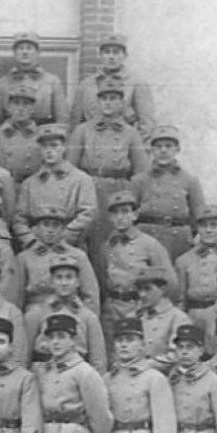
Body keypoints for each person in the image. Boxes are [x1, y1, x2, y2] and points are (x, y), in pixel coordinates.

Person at [66, 75, 150, 256]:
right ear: (98, 102)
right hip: (90, 191)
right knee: (89, 240)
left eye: (113, 99)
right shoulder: (83, 130)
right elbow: (70, 169)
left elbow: (141, 172)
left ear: (122, 103)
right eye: (104, 98)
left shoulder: (130, 133)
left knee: (115, 240)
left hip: (119, 190)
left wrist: (131, 200)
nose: (108, 103)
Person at [13, 124, 97, 249]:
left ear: (64, 147)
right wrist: (30, 241)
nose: (49, 151)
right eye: (44, 146)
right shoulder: (29, 184)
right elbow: (20, 219)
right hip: (36, 247)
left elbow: (88, 214)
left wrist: (65, 238)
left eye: (54, 145)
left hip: (70, 246)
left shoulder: (81, 180)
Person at [131, 124, 205, 262]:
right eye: (158, 146)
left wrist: (189, 235)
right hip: (148, 238)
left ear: (177, 149)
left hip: (179, 241)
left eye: (168, 146)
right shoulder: (139, 181)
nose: (163, 150)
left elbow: (199, 217)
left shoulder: (190, 181)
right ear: (151, 149)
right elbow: (130, 215)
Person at [11, 207, 102, 313]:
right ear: (37, 228)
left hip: (69, 311)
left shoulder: (78, 256)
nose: (50, 230)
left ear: (63, 229)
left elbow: (90, 294)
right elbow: (17, 297)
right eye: (46, 225)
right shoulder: (24, 258)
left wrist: (88, 322)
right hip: (36, 312)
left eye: (55, 225)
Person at [23, 259, 107, 368]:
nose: (64, 283)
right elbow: (24, 354)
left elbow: (98, 359)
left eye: (69, 277)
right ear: (52, 282)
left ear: (78, 282)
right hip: (43, 374)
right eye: (59, 277)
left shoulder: (88, 317)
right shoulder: (36, 313)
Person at [69, 34, 157, 137]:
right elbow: (75, 123)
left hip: (123, 146)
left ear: (124, 55)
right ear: (101, 55)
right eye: (107, 52)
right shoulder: (85, 85)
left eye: (116, 52)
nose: (111, 57)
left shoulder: (137, 84)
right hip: (92, 146)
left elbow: (147, 124)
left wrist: (131, 146)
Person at [96, 190, 175, 297]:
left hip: (140, 306)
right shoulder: (107, 246)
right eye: (115, 213)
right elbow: (102, 280)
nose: (119, 217)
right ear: (110, 217)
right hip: (112, 308)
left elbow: (169, 282)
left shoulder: (150, 244)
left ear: (135, 215)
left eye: (125, 212)